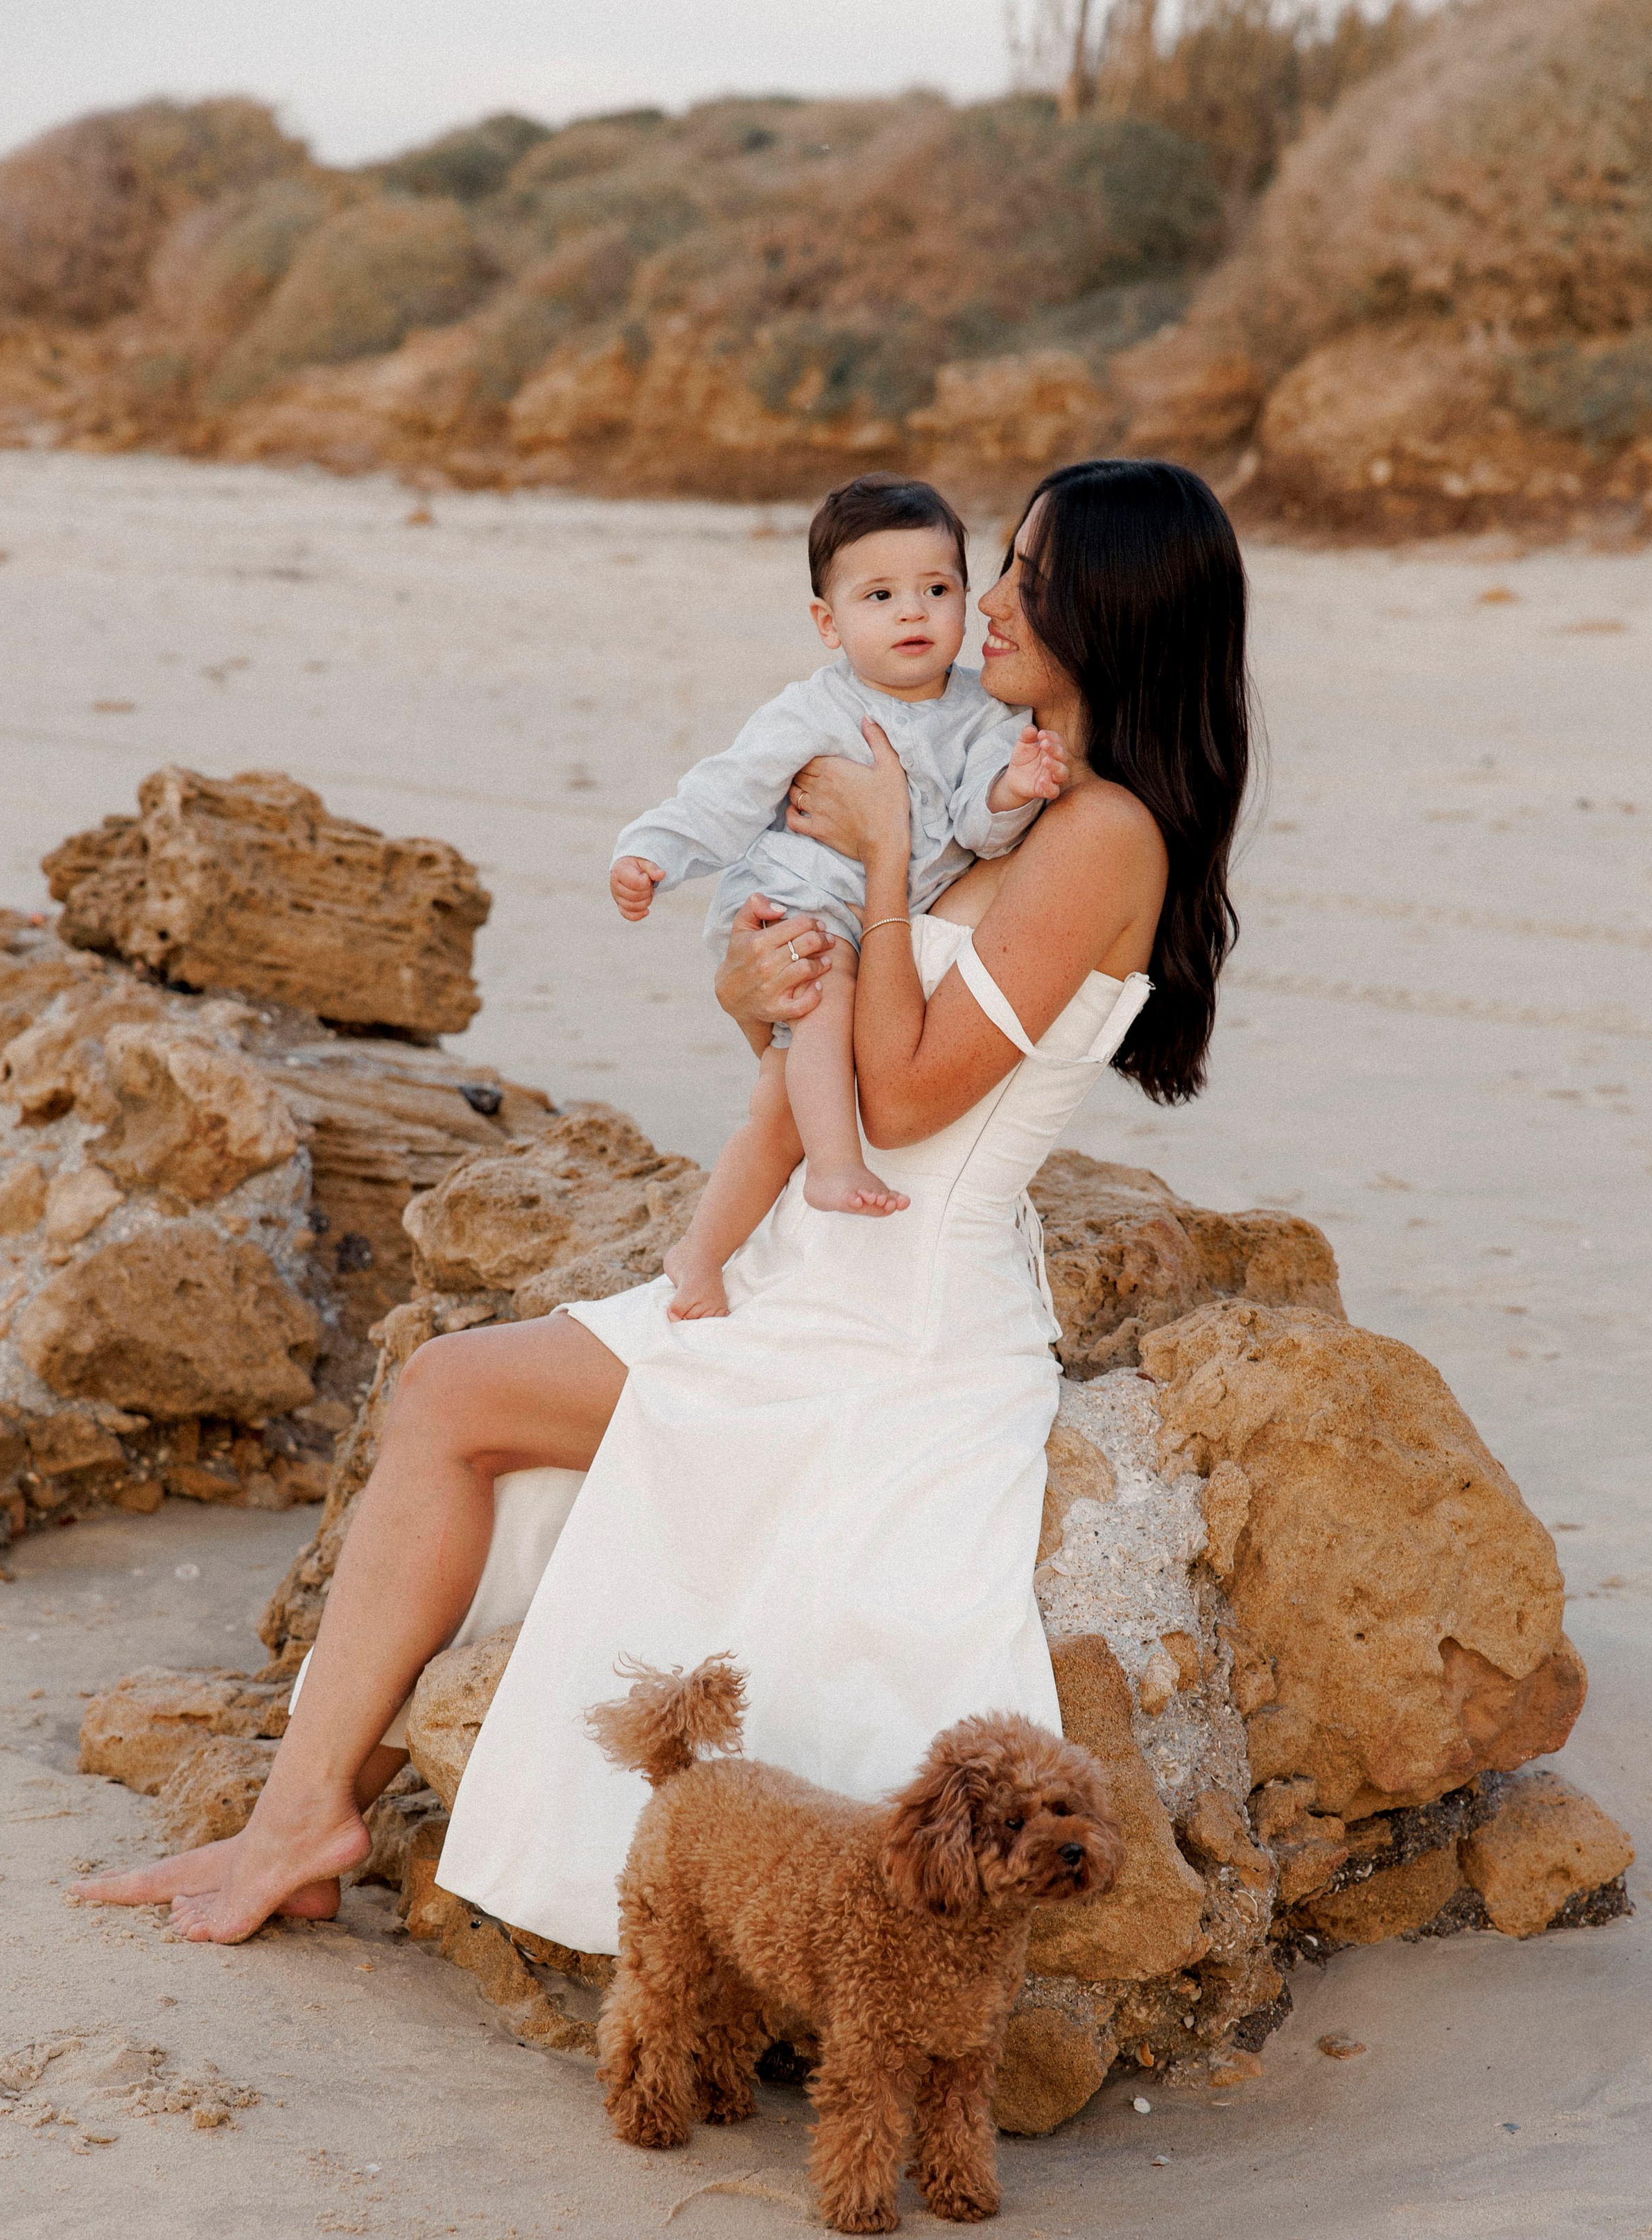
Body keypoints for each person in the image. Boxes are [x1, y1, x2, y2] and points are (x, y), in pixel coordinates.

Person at [76, 458, 1251, 1950]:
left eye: (1023, 571)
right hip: (807, 1260)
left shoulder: (1105, 837)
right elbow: (823, 1030)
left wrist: (885, 851)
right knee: (470, 1422)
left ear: (1117, 605)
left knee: (450, 1395)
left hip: (888, 1319)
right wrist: (746, 984)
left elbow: (899, 1098)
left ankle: (302, 1819)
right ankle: (303, 1815)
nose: (986, 599)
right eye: (995, 566)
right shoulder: (1014, 789)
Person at [609, 471, 1065, 1317]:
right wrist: (652, 855)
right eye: (880, 595)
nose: (912, 613)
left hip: (875, 910)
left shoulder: (985, 716)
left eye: (937, 590)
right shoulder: (815, 708)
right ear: (829, 622)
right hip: (801, 899)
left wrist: (1014, 788)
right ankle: (834, 1166)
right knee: (828, 992)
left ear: (965, 601)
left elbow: (978, 829)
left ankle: (699, 1254)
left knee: (775, 1109)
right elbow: (729, 791)